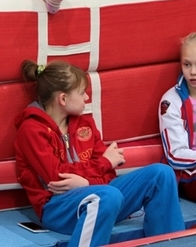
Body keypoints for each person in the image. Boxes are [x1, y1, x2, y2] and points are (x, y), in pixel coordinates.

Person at [15, 59, 184, 246]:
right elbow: (57, 178)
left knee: (162, 173)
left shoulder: (85, 124)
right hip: (57, 207)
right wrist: (104, 163)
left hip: (102, 196)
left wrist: (87, 182)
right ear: (63, 99)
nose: (86, 98)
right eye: (82, 93)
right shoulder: (31, 130)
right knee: (107, 196)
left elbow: (109, 174)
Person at [159, 32, 196, 200]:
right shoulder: (170, 101)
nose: (193, 72)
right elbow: (175, 155)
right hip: (188, 172)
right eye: (187, 65)